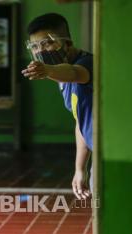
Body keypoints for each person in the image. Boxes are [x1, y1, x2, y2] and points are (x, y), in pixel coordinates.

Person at [21, 13, 93, 200]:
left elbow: (74, 73)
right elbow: (81, 122)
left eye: (47, 43)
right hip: (98, 158)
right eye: (35, 46)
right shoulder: (60, 79)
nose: (41, 51)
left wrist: (47, 70)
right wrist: (80, 169)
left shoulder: (86, 63)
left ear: (67, 42)